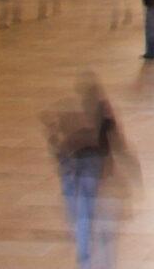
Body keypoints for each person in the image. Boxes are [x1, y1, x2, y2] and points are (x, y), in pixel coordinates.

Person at [42, 74, 140, 269]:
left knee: (88, 226)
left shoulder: (96, 117)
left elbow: (66, 154)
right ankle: (89, 258)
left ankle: (87, 259)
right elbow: (117, 144)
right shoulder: (98, 116)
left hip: (90, 176)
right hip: (93, 176)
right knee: (98, 232)